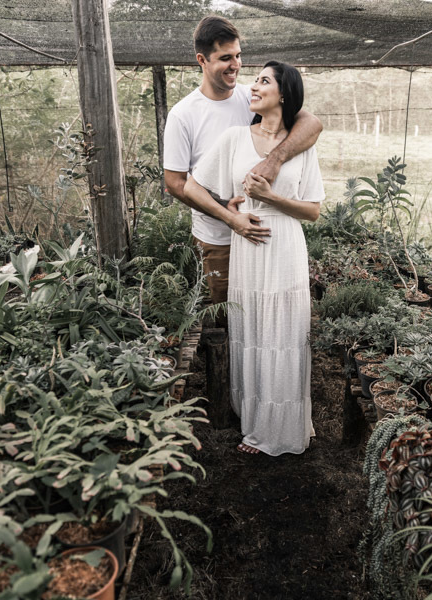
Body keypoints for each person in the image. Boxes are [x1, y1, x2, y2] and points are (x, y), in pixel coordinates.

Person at [184, 61, 324, 456]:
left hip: (285, 246)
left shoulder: (301, 145)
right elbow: (193, 187)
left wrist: (271, 197)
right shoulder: (234, 138)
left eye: (264, 81)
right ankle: (257, 422)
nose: (254, 86)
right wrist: (230, 214)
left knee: (286, 335)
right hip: (247, 246)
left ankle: (285, 426)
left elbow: (313, 210)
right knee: (253, 333)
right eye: (255, 80)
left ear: (284, 94)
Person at [163, 16, 322, 311]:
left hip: (268, 236)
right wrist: (229, 216)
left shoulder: (252, 97)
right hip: (218, 238)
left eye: (238, 55)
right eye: (225, 58)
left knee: (272, 311)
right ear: (202, 60)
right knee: (231, 315)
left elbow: (311, 123)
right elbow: (175, 184)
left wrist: (275, 160)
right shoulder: (183, 115)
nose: (235, 65)